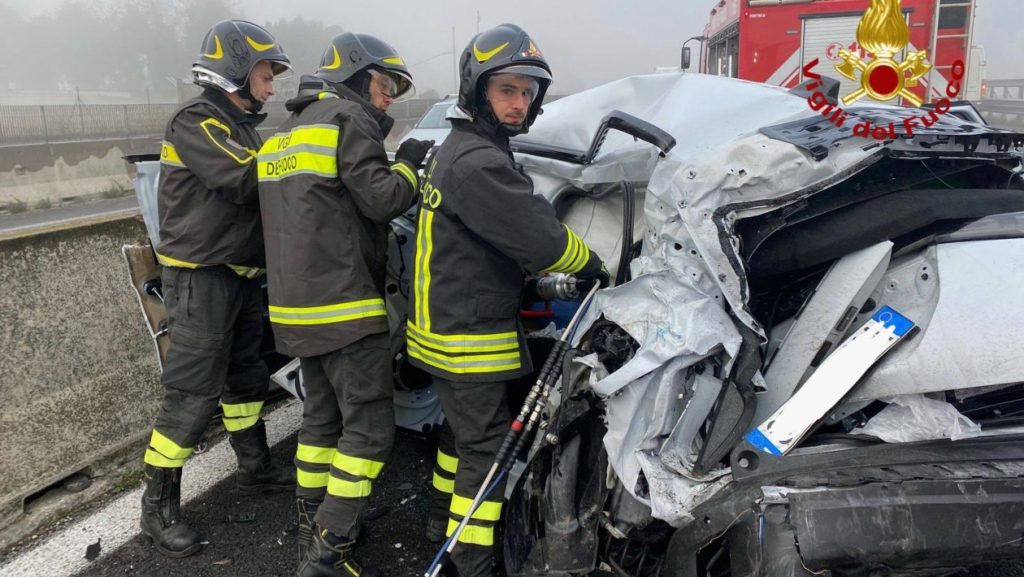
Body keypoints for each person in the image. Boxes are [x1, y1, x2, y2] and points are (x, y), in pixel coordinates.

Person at [408, 23, 607, 577]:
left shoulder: (464, 147)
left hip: (441, 330)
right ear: (478, 90)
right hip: (467, 338)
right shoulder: (480, 163)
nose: (520, 104)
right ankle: (471, 561)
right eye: (507, 90)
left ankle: (441, 520)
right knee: (485, 448)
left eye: (528, 92)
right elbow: (541, 239)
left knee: (458, 437)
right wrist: (594, 265)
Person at [256, 32, 434, 577]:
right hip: (345, 310)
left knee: (320, 419)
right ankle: (328, 553)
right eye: (385, 86)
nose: (388, 100)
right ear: (357, 78)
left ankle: (317, 515)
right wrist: (406, 163)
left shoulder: (285, 134)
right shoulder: (347, 120)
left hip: (294, 310)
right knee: (369, 431)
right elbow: (381, 200)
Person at [140, 20, 294, 558]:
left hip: (240, 277)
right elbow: (243, 178)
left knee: (247, 380)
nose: (272, 86)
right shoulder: (198, 121)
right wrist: (307, 152)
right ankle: (156, 511)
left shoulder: (241, 125)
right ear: (235, 68)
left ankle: (255, 468)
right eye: (266, 74)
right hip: (201, 278)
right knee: (191, 396)